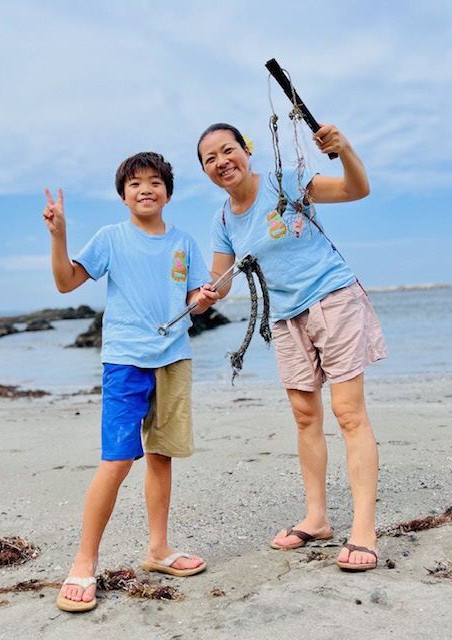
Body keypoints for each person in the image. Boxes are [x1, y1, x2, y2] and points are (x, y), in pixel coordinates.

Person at [197, 122, 387, 571]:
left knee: (348, 413)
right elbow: (221, 283)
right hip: (285, 319)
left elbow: (356, 190)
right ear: (205, 171)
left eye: (229, 150)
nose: (222, 161)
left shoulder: (284, 182)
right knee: (305, 417)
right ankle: (317, 518)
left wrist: (346, 148)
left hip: (332, 299)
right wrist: (205, 295)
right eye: (210, 158)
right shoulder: (223, 219)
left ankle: (364, 529)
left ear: (247, 150)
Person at [43, 151, 218, 612]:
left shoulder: (183, 242)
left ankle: (158, 550)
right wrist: (59, 236)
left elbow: (197, 301)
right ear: (123, 195)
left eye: (155, 182)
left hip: (175, 358)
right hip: (125, 362)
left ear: (168, 192)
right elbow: (65, 283)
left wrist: (202, 297)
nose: (146, 189)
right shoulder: (111, 238)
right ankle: (83, 561)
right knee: (117, 461)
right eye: (136, 183)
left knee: (161, 456)